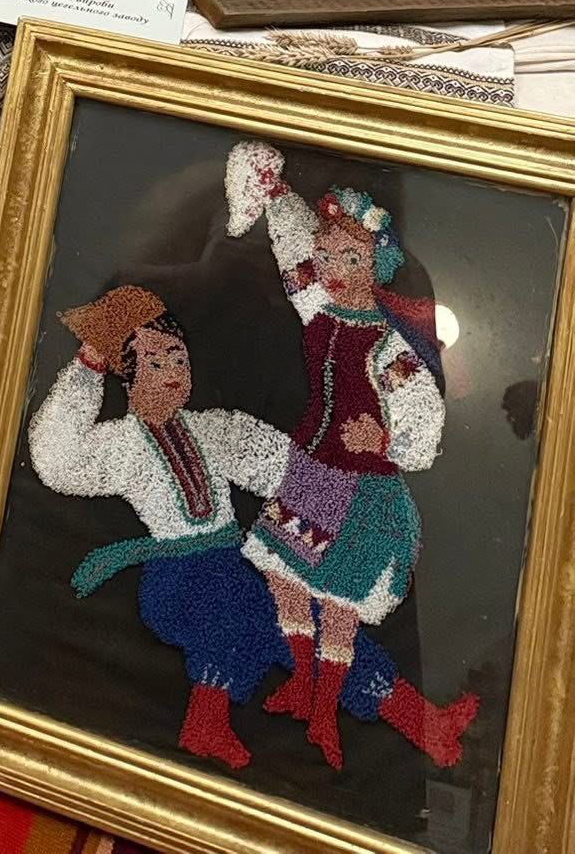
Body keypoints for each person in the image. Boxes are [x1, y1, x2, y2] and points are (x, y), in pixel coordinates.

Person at [31, 285, 478, 776]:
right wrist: (87, 369)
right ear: (129, 375)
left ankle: (423, 723)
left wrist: (360, 523)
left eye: (179, 359)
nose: (173, 372)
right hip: (177, 577)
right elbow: (57, 461)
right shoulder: (119, 445)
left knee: (316, 619)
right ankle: (205, 722)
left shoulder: (214, 429)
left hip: (232, 561)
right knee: (235, 612)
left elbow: (285, 470)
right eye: (156, 363)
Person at [225, 142, 477, 771]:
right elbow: (294, 252)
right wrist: (278, 198)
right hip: (312, 468)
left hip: (360, 481)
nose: (334, 266)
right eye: (330, 253)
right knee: (285, 575)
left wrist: (385, 441)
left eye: (351, 257)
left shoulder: (387, 345)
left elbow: (422, 410)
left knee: (338, 601)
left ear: (375, 265)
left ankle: (322, 711)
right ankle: (303, 681)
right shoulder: (318, 306)